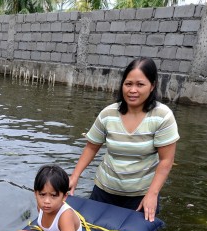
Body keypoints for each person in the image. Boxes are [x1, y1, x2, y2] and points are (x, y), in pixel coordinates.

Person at [69, 57, 179, 222]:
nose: (132, 90)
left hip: (140, 196)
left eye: (140, 84)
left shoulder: (162, 116)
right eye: (128, 84)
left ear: (152, 86)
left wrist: (152, 194)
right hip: (104, 191)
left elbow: (166, 161)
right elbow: (92, 146)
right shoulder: (108, 114)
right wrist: (75, 176)